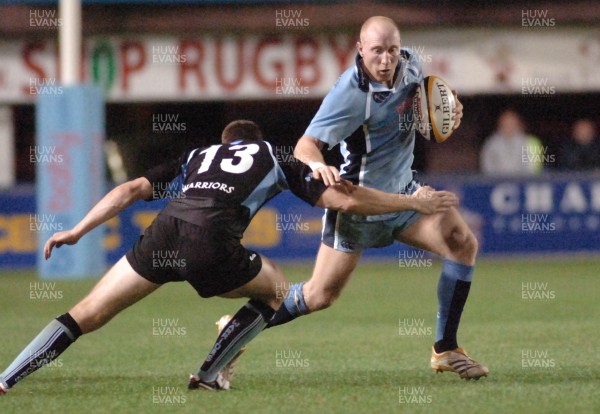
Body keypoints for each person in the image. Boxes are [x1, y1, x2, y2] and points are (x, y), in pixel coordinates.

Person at [0, 120, 458, 394]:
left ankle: (7, 378)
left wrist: (78, 230)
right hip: (210, 240)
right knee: (279, 289)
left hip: (164, 231)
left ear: (225, 141)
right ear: (253, 141)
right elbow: (345, 203)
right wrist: (414, 203)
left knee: (87, 314)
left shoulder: (197, 155)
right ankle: (209, 373)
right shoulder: (277, 156)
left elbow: (130, 190)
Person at [244, 16, 488, 380]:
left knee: (461, 242)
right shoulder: (350, 94)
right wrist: (317, 165)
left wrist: (451, 106)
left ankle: (446, 349)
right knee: (319, 296)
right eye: (377, 51)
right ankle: (236, 327)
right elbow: (304, 145)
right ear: (360, 50)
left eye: (391, 50)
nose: (386, 59)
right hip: (359, 205)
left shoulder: (411, 65)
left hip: (406, 194)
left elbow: (429, 99)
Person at [480, 109, 543, 175]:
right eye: (505, 123)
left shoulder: (529, 143)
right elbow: (487, 166)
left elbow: (532, 169)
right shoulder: (491, 144)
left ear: (518, 124)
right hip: (497, 181)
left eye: (512, 123)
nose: (509, 127)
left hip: (523, 181)